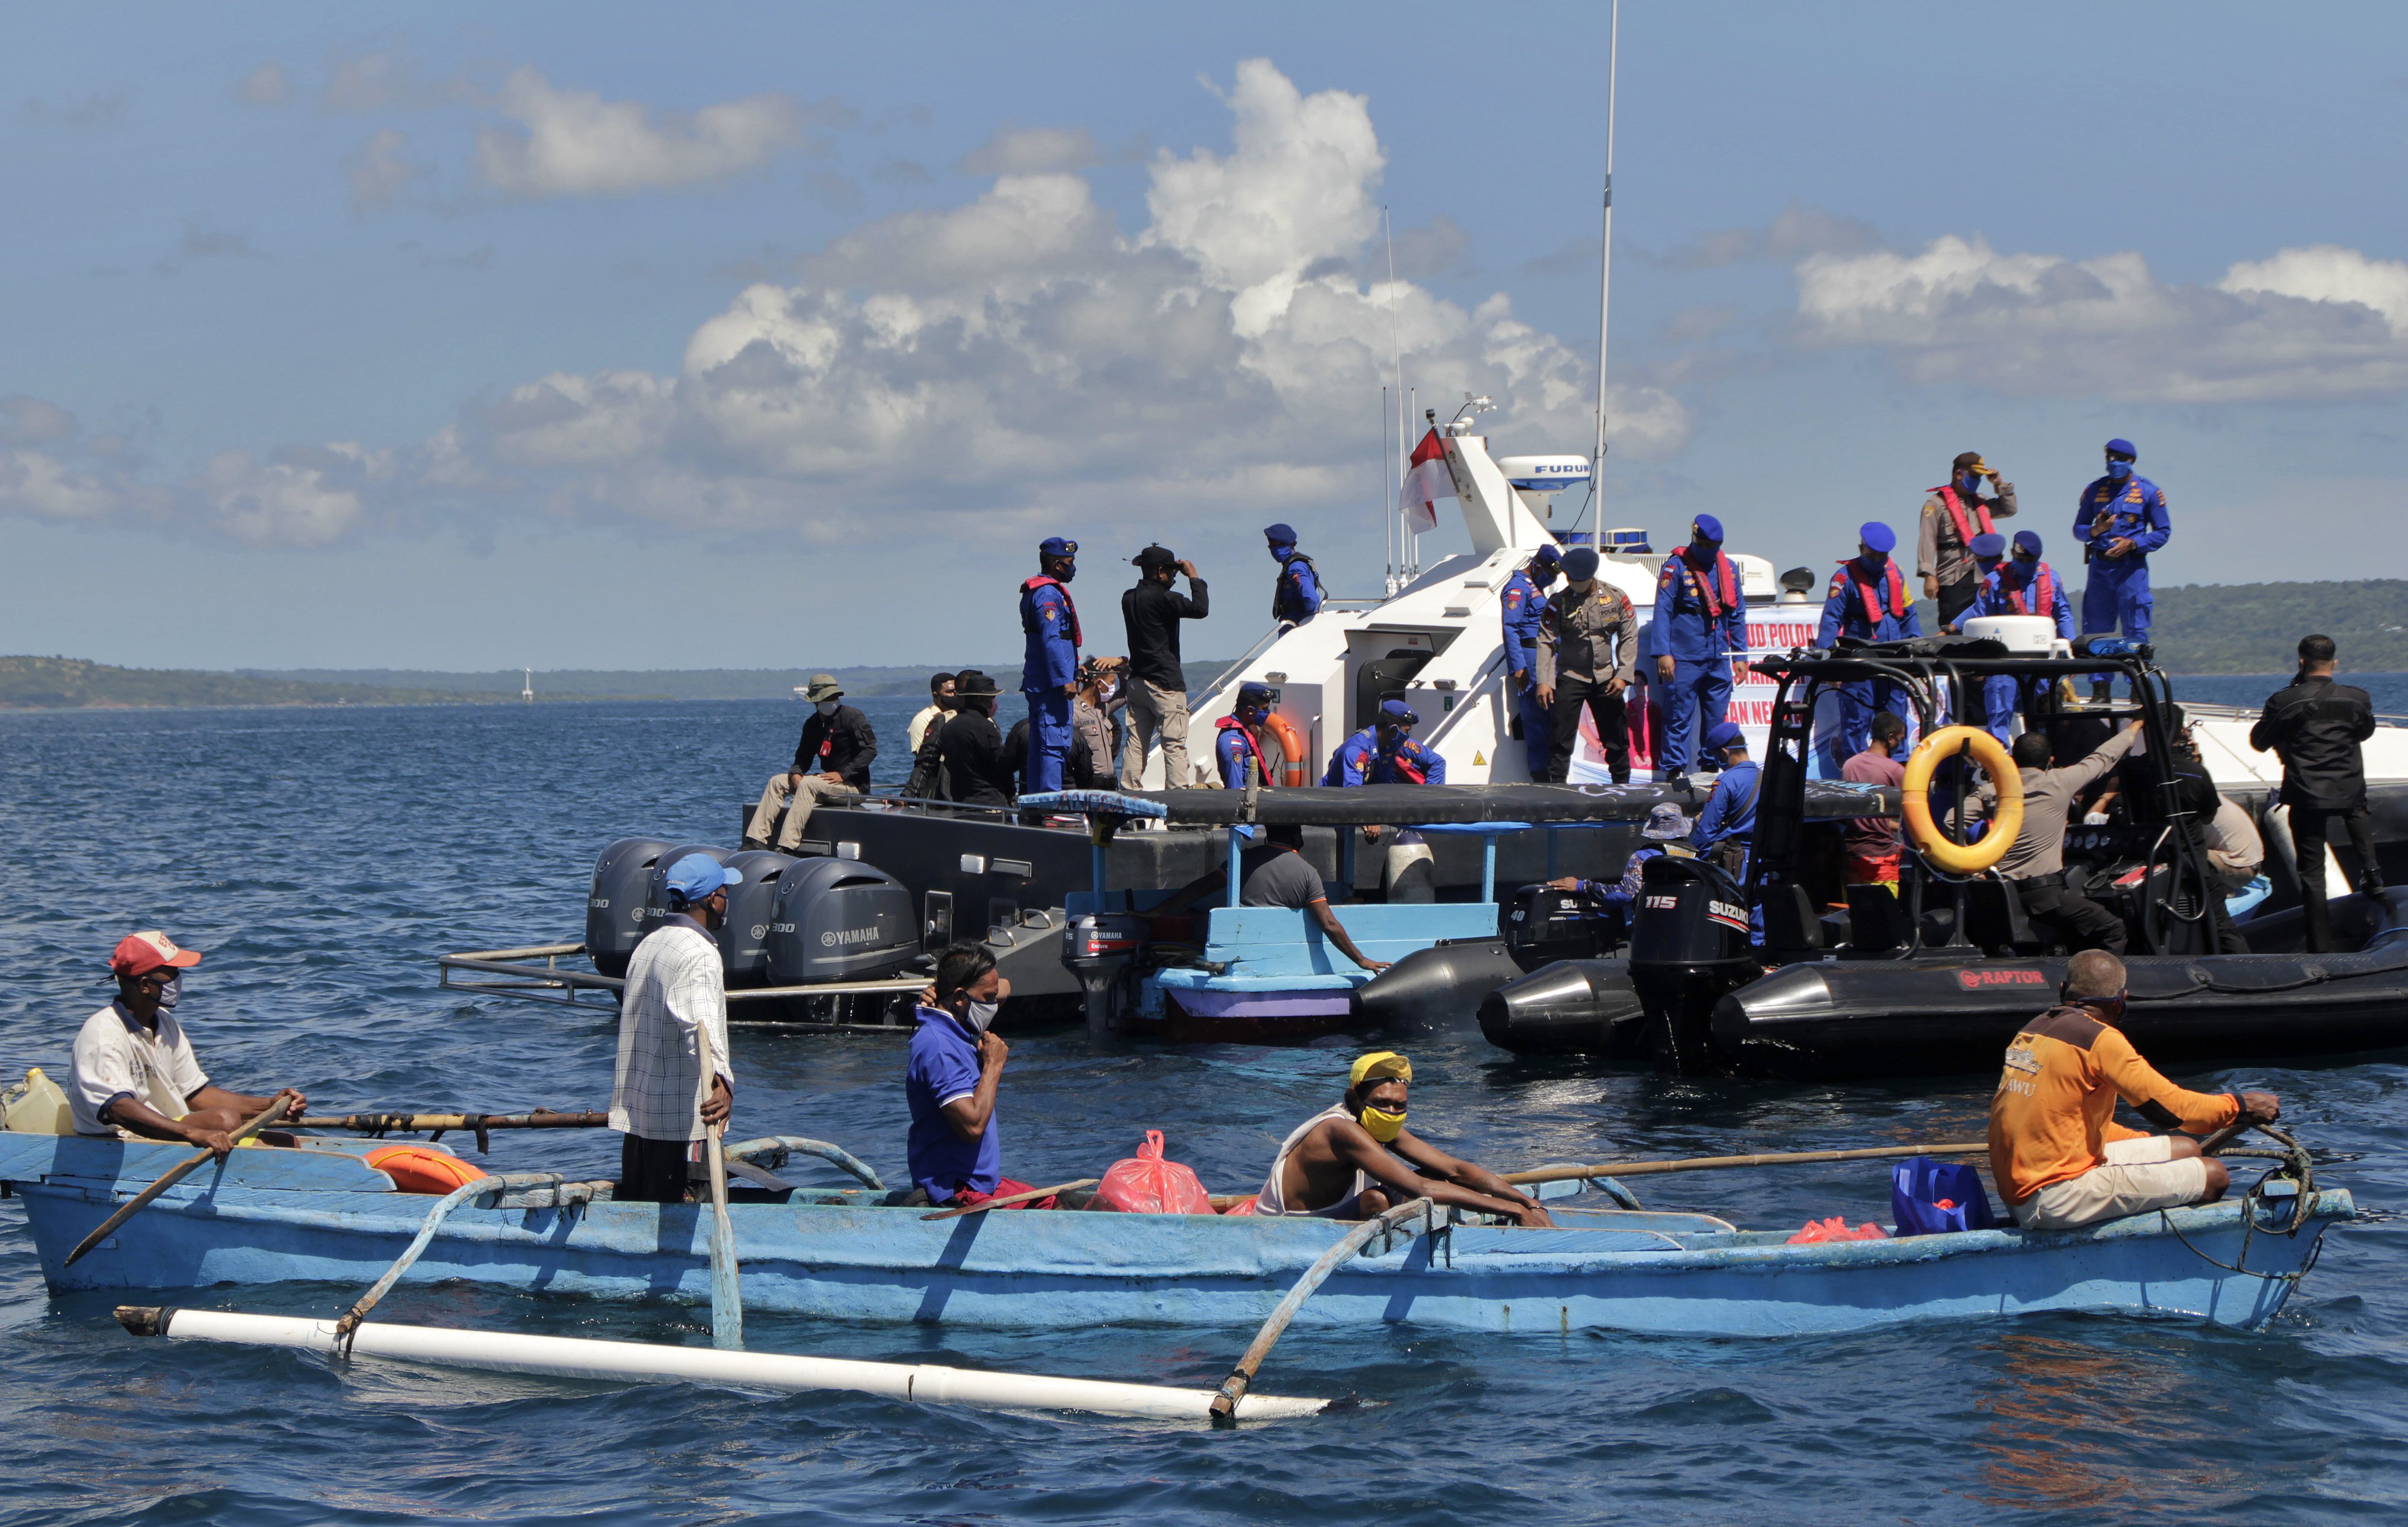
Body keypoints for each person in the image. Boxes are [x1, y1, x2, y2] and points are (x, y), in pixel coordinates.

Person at [1988, 950, 2277, 1230]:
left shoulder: (2033, 1030)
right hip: (2052, 1198)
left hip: (2019, 1192)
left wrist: (2142, 1145)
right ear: (2121, 1002)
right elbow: (2173, 1113)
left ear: (2064, 990)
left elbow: (2064, 1119)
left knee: (2186, 1148)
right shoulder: (2100, 1039)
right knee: (2215, 1176)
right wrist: (2240, 1105)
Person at [69, 932, 305, 1154]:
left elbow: (194, 1094)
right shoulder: (102, 1033)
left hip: (166, 1130)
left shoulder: (164, 1021)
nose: (178, 978)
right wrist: (193, 1133)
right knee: (226, 1120)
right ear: (144, 985)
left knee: (288, 1143)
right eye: (172, 972)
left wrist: (270, 1106)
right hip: (121, 1140)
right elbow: (119, 1110)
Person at [1253, 1052, 1554, 1225]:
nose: (1392, 1111)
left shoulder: (1379, 1126)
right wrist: (1512, 1210)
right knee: (1379, 1199)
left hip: (1332, 1218)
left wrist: (1529, 1203)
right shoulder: (1340, 1130)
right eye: (1382, 1103)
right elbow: (1420, 1188)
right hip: (1287, 1228)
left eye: (1400, 1106)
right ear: (1354, 1100)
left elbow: (1456, 1170)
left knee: (1440, 1178)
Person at [609, 853, 740, 1203]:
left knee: (640, 1217)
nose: (728, 902)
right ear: (711, 900)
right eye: (725, 893)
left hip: (638, 1129)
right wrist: (722, 1084)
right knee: (685, 1230)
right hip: (683, 1132)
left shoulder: (648, 945)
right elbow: (700, 1029)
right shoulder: (700, 953)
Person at [902, 943, 1070, 1209]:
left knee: (1066, 1200)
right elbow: (972, 1128)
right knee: (1059, 1210)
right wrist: (993, 1065)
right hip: (958, 1190)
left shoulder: (954, 1024)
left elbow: (1003, 987)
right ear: (959, 998)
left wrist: (948, 990)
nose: (994, 1004)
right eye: (988, 998)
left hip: (981, 1182)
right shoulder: (940, 1048)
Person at [1961, 721, 2144, 953]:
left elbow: (1950, 822)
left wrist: (1974, 868)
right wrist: (2135, 726)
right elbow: (2102, 758)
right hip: (2043, 895)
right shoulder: (2059, 781)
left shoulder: (1990, 791)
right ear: (2050, 761)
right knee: (2113, 928)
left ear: (2014, 759)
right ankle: (2100, 983)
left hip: (2001, 892)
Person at [2251, 634, 2382, 952]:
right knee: (2357, 810)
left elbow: (2259, 742)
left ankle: (2320, 948)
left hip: (2307, 796)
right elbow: (2365, 732)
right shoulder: (2357, 699)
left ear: (2301, 662)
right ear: (2335, 662)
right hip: (2350, 792)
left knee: (2312, 877)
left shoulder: (2284, 701)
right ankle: (2373, 874)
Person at [1160, 823, 1389, 973]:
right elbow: (1329, 924)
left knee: (1200, 921)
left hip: (1237, 943)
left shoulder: (1245, 859)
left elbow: (1200, 888)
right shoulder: (1307, 873)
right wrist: (1361, 960)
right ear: (1296, 836)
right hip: (1276, 949)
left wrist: (1156, 911)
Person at [1652, 515, 1748, 785]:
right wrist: (1663, 652)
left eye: (1710, 545)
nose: (1704, 549)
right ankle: (1675, 771)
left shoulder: (1728, 569)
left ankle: (1711, 767)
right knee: (1678, 717)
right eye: (1700, 543)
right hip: (1684, 656)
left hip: (1718, 656)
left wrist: (1740, 655)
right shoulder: (1676, 567)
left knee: (1716, 718)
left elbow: (1737, 613)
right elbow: (1663, 610)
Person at [2073, 438, 2171, 702]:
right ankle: (2100, 690)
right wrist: (2096, 530)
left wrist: (2133, 544)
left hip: (2131, 570)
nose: (2113, 463)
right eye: (2110, 458)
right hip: (2099, 569)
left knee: (2135, 628)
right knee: (2097, 629)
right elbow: (2078, 529)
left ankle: (2137, 688)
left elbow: (2163, 532)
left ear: (2132, 461)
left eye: (2119, 458)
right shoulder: (2094, 490)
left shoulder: (2149, 492)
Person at [1953, 530, 2076, 740]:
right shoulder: (1994, 582)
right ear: (2013, 553)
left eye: (2031, 559)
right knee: (1999, 713)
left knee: (2045, 711)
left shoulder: (2052, 580)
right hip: (2004, 662)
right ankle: (1999, 760)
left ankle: (2046, 756)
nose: (2026, 562)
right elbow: (1981, 620)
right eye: (2022, 558)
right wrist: (1979, 661)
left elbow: (2064, 615)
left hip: (2042, 660)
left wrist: (2070, 649)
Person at [1817, 521, 1923, 759]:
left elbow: (1909, 614)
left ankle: (1898, 764)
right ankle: (1855, 768)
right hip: (1859, 655)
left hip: (1893, 654)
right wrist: (1826, 660)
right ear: (1861, 548)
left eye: (1882, 557)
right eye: (1871, 555)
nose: (1877, 561)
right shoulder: (1844, 578)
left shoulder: (1897, 575)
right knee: (1857, 715)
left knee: (1895, 711)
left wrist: (1917, 648)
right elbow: (1831, 619)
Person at [1536, 545, 1639, 783]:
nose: (1571, 581)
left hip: (1606, 677)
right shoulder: (1558, 602)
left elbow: (1629, 636)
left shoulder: (1615, 597)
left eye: (1575, 579)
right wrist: (1544, 681)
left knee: (1616, 735)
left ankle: (1622, 787)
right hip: (1571, 675)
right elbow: (1545, 641)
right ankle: (1556, 791)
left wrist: (1623, 674)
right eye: (1568, 578)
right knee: (1561, 738)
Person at [743, 675, 877, 851]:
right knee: (777, 781)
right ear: (816, 702)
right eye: (827, 698)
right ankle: (756, 841)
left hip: (852, 787)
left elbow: (870, 750)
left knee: (808, 784)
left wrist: (843, 774)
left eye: (834, 697)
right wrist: (796, 772)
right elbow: (803, 756)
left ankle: (787, 846)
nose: (832, 701)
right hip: (824, 785)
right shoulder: (812, 725)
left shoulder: (853, 717)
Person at [1120, 544, 1208, 789]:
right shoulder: (1166, 598)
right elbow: (1201, 609)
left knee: (1136, 744)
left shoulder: (1128, 598)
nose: (1173, 578)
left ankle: (1129, 801)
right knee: (1174, 745)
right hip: (1165, 684)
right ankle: (1178, 807)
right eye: (1172, 573)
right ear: (1161, 572)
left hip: (1138, 682)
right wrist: (1193, 576)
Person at [1918, 452, 2018, 628]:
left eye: (1980, 477)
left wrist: (2000, 485)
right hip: (1954, 575)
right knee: (1953, 626)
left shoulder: (1981, 502)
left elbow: (2009, 510)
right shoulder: (1935, 504)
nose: (1978, 480)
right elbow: (1928, 539)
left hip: (1983, 573)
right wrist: (1929, 575)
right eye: (1975, 476)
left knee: (1984, 625)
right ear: (1959, 475)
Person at [1545, 803, 1694, 915]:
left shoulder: (1643, 857)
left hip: (1650, 927)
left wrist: (1581, 886)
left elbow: (1624, 894)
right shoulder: (1694, 857)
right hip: (1684, 925)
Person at [1020, 536, 1083, 794]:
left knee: (1041, 744)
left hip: (1041, 681)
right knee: (1054, 743)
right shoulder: (1047, 594)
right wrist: (1064, 679)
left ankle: (1038, 801)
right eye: (1069, 562)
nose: (1072, 567)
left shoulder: (1039, 590)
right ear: (1057, 565)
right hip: (1050, 684)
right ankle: (1051, 802)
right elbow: (1051, 639)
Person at [1500, 544, 1562, 778]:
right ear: (1536, 566)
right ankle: (1540, 775)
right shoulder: (1518, 588)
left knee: (1551, 717)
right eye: (1549, 573)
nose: (1551, 578)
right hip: (1530, 658)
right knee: (1536, 718)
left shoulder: (1535, 587)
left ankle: (1554, 772)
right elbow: (1511, 628)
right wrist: (1518, 666)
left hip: (1546, 658)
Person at [1841, 711, 1910, 890]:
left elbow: (1864, 815)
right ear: (1891, 738)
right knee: (1884, 914)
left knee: (1856, 912)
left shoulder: (1850, 765)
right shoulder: (1894, 770)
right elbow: (1914, 811)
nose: (1900, 744)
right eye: (1900, 740)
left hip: (1851, 855)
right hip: (1880, 857)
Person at [938, 670, 1019, 808]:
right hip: (989, 802)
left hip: (959, 802)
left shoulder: (949, 727)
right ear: (981, 699)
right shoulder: (986, 726)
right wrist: (1011, 793)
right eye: (991, 697)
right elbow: (1001, 766)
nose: (993, 701)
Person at [1689, 722, 1760, 879]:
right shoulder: (1766, 778)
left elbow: (1707, 830)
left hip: (1734, 862)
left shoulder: (1726, 781)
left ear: (1724, 753)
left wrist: (1700, 861)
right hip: (1759, 861)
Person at [1323, 698, 1448, 785]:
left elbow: (1437, 762)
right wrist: (1371, 817)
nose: (1407, 737)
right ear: (1394, 730)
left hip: (1374, 801)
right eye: (1406, 731)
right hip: (1336, 811)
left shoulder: (1395, 745)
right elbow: (1353, 793)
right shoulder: (1357, 751)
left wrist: (1429, 799)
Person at [1068, 655, 1122, 790]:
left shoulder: (1103, 708)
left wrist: (1120, 662)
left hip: (1110, 782)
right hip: (1090, 784)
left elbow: (1127, 691)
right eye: (1111, 683)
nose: (1113, 687)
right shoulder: (1073, 711)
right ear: (1099, 683)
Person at [1215, 680, 1280, 790]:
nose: (1268, 713)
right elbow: (1235, 788)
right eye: (1264, 709)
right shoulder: (1232, 741)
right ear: (1250, 711)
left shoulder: (1246, 732)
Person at [1264, 522, 1321, 629]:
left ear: (1293, 544)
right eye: (1272, 544)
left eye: (1280, 544)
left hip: (1296, 623)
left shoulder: (1295, 568)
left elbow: (1312, 599)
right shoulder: (1294, 565)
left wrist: (1305, 619)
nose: (1276, 549)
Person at [907, 672, 957, 756]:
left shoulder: (962, 714)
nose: (954, 695)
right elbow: (921, 755)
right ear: (936, 696)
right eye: (950, 692)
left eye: (956, 692)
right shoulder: (922, 720)